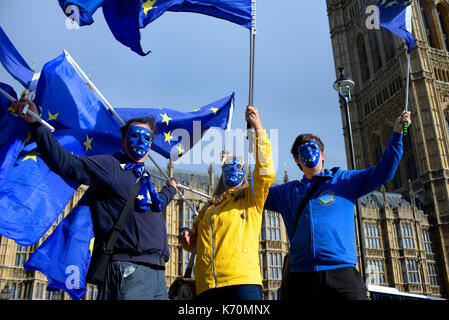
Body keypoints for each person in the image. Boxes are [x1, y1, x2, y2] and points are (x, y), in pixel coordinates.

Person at [12, 99, 178, 300]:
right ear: (123, 140)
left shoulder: (143, 179)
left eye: (147, 138)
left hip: (157, 274)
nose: (142, 142)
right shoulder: (111, 167)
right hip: (129, 269)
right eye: (136, 136)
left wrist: (171, 190)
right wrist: (36, 125)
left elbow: (155, 204)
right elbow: (67, 164)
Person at [264, 111, 411, 300]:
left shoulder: (344, 180)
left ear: (323, 154)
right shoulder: (287, 192)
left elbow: (384, 172)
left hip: (341, 272)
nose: (309, 152)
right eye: (303, 151)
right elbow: (254, 196)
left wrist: (397, 134)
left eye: (313, 148)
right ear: (297, 160)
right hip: (301, 276)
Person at [179, 105, 275, 300]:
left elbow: (265, 173)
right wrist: (187, 237)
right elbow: (195, 241)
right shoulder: (209, 207)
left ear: (245, 174)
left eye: (238, 168)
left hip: (241, 282)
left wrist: (258, 129)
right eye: (228, 168)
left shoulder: (251, 199)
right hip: (207, 284)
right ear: (222, 174)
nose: (232, 171)